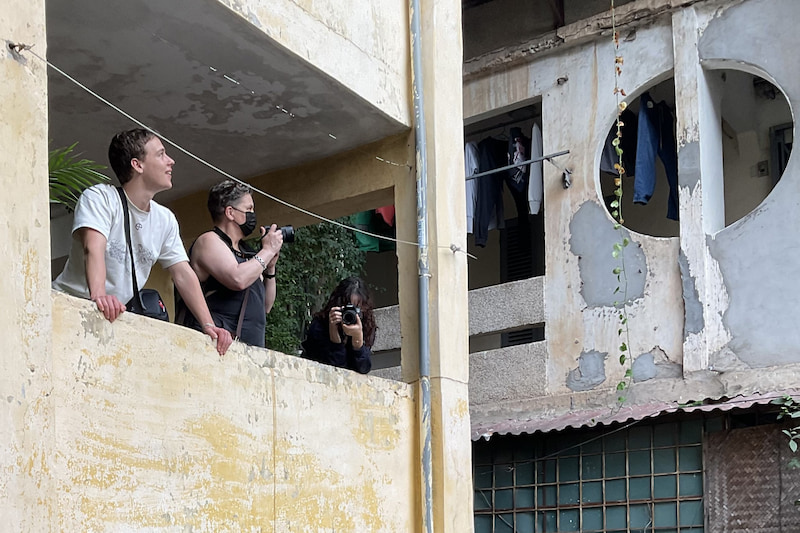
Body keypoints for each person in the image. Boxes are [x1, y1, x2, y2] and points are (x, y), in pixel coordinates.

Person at [52, 128, 233, 356]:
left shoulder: (164, 219)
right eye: (161, 154)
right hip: (66, 307)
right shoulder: (100, 198)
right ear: (137, 165)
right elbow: (93, 248)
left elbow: (183, 273)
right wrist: (99, 297)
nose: (171, 161)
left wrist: (209, 326)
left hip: (111, 319)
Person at [175, 180, 283, 347]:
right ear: (230, 212)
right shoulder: (209, 241)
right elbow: (237, 279)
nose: (253, 214)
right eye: (249, 209)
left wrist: (270, 267)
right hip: (214, 344)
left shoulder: (247, 252)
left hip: (248, 348)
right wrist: (267, 251)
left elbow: (266, 306)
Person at [301, 277, 375, 374]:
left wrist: (358, 341)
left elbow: (363, 369)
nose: (351, 314)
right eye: (346, 308)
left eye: (356, 309)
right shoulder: (320, 325)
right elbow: (335, 371)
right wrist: (334, 335)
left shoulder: (366, 324)